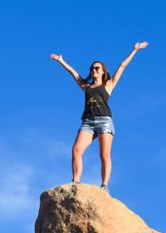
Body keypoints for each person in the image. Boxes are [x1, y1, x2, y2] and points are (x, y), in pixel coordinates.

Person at [49, 41, 149, 190]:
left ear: (103, 71)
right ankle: (75, 182)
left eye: (97, 68)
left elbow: (122, 66)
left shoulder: (108, 84)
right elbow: (74, 74)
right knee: (76, 150)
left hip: (104, 121)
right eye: (92, 68)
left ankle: (104, 186)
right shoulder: (86, 86)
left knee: (104, 155)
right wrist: (61, 61)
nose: (93, 70)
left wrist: (135, 50)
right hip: (88, 122)